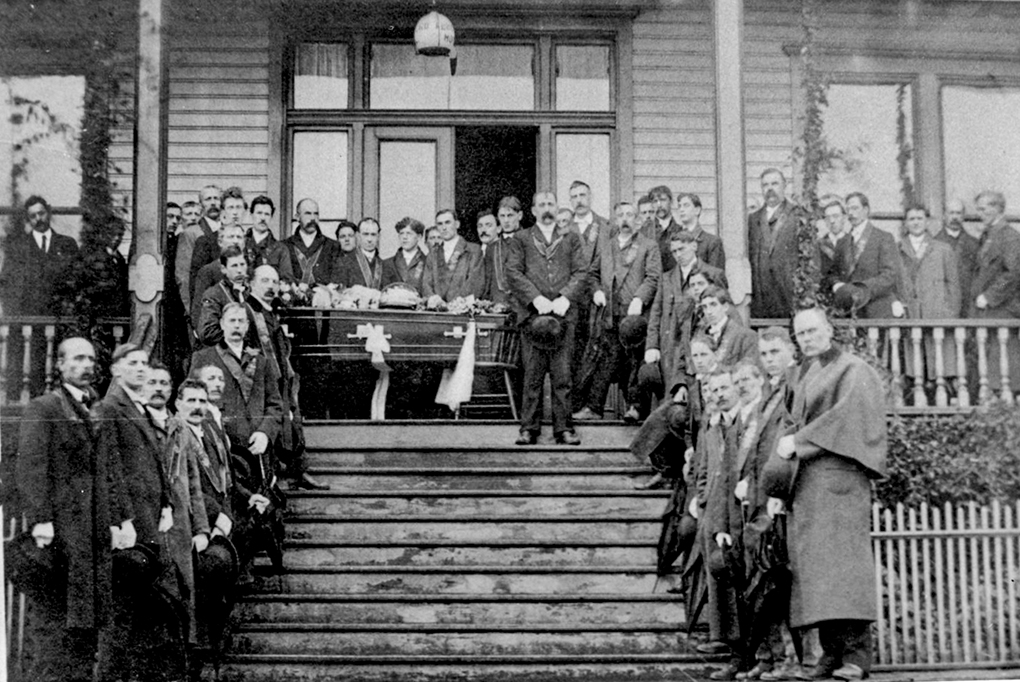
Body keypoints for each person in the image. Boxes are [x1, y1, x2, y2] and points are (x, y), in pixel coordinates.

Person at [769, 307, 887, 681]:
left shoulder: (854, 369)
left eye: (812, 331)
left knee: (844, 569)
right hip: (805, 483)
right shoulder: (802, 373)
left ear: (829, 330)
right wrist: (778, 482)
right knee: (816, 573)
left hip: (840, 480)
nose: (807, 338)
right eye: (800, 333)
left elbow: (847, 418)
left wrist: (799, 442)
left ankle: (856, 656)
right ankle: (831, 653)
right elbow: (787, 425)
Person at [15, 337, 134, 682]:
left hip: (93, 535)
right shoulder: (45, 407)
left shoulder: (97, 408)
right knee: (55, 626)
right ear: (60, 364)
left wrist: (119, 520)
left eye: (91, 360)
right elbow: (31, 466)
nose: (86, 366)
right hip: (61, 533)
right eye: (78, 359)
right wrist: (41, 520)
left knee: (87, 626)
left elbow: (109, 468)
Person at [505, 191, 587, 446]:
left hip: (563, 317)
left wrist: (565, 298)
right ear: (533, 211)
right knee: (532, 376)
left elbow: (581, 271)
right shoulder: (521, 239)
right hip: (533, 317)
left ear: (557, 207)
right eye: (542, 204)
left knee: (563, 377)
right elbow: (513, 272)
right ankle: (529, 428)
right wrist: (536, 299)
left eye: (551, 203)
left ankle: (564, 429)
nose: (547, 208)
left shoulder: (571, 238)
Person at [573, 201, 661, 422]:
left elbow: (653, 277)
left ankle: (636, 407)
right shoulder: (607, 246)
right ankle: (594, 408)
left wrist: (640, 298)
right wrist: (596, 291)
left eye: (630, 215)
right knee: (606, 359)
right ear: (614, 220)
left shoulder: (648, 246)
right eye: (620, 215)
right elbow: (592, 274)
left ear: (637, 220)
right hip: (610, 314)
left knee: (634, 361)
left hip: (635, 315)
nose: (625, 219)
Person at [246, 264, 329, 490]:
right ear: (251, 284)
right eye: (264, 281)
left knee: (292, 420)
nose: (271, 286)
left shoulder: (271, 311)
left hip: (280, 378)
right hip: (260, 382)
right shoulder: (248, 312)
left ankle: (298, 472)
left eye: (274, 282)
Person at [694, 367, 747, 680]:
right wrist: (702, 499)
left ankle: (745, 655)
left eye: (725, 387)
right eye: (714, 390)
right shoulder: (713, 425)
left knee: (739, 581)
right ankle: (728, 645)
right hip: (712, 510)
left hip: (737, 511)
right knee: (718, 576)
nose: (719, 394)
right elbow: (703, 468)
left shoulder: (744, 423)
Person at [190, 302, 284, 468]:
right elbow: (191, 401)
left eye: (241, 321)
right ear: (222, 324)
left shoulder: (261, 362)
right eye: (232, 320)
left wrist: (265, 433)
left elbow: (275, 405)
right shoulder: (203, 358)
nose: (236, 325)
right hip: (220, 448)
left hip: (256, 448)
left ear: (247, 326)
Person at [163, 379, 213, 656]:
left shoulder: (190, 432)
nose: (197, 407)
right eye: (190, 401)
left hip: (186, 527)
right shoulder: (172, 429)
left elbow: (194, 485)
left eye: (202, 401)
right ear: (177, 403)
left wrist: (202, 529)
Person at [898, 204, 961, 398]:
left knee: (940, 368)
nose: (916, 223)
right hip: (911, 315)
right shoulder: (897, 249)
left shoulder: (942, 249)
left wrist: (950, 315)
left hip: (937, 314)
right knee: (915, 367)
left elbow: (954, 286)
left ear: (927, 222)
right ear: (905, 223)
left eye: (920, 218)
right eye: (911, 219)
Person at [969, 190, 1020, 397]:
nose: (980, 214)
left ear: (997, 208)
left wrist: (989, 297)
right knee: (990, 362)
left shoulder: (1009, 237)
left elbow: (1013, 273)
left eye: (983, 209)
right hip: (987, 311)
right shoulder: (989, 235)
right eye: (978, 209)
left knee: (1004, 361)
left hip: (1003, 310)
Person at [0, 195, 79, 315]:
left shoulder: (67, 244)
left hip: (60, 316)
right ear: (28, 219)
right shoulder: (17, 248)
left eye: (41, 213)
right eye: (33, 216)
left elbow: (77, 279)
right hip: (28, 318)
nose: (38, 219)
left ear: (49, 212)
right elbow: (6, 284)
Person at [830, 192, 903, 319]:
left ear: (866, 210)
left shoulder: (883, 238)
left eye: (855, 208)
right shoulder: (842, 242)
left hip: (877, 310)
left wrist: (860, 290)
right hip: (849, 312)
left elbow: (890, 276)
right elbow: (833, 274)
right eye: (848, 210)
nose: (851, 213)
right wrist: (837, 285)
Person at [747, 169, 807, 319]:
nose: (770, 189)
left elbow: (810, 260)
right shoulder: (753, 220)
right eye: (765, 185)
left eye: (774, 183)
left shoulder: (798, 216)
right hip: (761, 299)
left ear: (784, 185)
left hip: (789, 296)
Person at [175, 185, 223, 318]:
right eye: (208, 199)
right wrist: (191, 311)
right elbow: (183, 275)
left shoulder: (228, 231)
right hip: (202, 306)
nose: (213, 203)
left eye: (216, 198)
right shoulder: (191, 233)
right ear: (201, 205)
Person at [421, 208, 485, 304]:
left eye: (447, 222)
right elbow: (426, 283)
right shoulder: (433, 253)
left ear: (457, 224)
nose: (444, 228)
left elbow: (475, 282)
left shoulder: (473, 250)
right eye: (440, 224)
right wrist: (433, 299)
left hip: (462, 307)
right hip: (438, 308)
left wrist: (458, 302)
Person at [933, 198, 980, 318]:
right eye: (951, 213)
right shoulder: (933, 244)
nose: (955, 217)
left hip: (968, 306)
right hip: (942, 306)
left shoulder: (974, 244)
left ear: (963, 216)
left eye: (958, 213)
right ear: (944, 215)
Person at [195, 245, 250, 346]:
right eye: (234, 266)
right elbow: (208, 333)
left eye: (242, 265)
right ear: (224, 269)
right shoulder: (213, 295)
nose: (239, 270)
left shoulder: (252, 291)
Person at [282, 198, 342, 286]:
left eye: (316, 214)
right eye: (308, 213)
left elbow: (337, 280)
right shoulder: (285, 246)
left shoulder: (333, 246)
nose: (313, 218)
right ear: (297, 217)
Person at [191, 223, 247, 311]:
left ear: (244, 243)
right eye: (231, 237)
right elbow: (198, 308)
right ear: (220, 242)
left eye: (239, 237)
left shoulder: (250, 270)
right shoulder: (208, 271)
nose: (235, 241)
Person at [698, 285, 759, 364]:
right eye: (705, 307)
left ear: (725, 307)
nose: (708, 311)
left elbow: (751, 368)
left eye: (713, 305)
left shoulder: (746, 336)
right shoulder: (700, 336)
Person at [244, 195, 294, 281]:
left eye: (267, 214)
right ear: (251, 214)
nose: (263, 218)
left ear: (271, 217)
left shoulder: (280, 249)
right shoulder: (241, 244)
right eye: (259, 213)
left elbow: (287, 280)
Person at [676, 192, 726, 272]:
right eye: (679, 206)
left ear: (697, 210)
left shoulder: (712, 242)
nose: (681, 209)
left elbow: (716, 275)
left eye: (686, 205)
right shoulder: (674, 242)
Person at [639, 185, 684, 272]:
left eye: (663, 200)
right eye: (655, 201)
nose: (659, 205)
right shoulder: (644, 231)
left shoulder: (680, 231)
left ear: (671, 202)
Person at [336, 217, 389, 289]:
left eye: (373, 234)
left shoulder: (385, 266)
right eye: (365, 234)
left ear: (378, 236)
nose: (369, 239)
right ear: (358, 235)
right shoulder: (343, 263)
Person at [383, 217, 427, 294]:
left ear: (419, 237)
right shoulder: (388, 263)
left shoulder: (427, 262)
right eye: (401, 233)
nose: (404, 237)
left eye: (409, 233)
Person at [817, 197, 850, 297]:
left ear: (844, 218)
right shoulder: (819, 244)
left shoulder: (853, 242)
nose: (831, 221)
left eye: (836, 216)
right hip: (823, 296)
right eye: (827, 218)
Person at [478, 209, 511, 305]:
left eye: (488, 225)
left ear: (499, 229)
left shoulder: (506, 250)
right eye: (480, 226)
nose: (483, 230)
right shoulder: (476, 251)